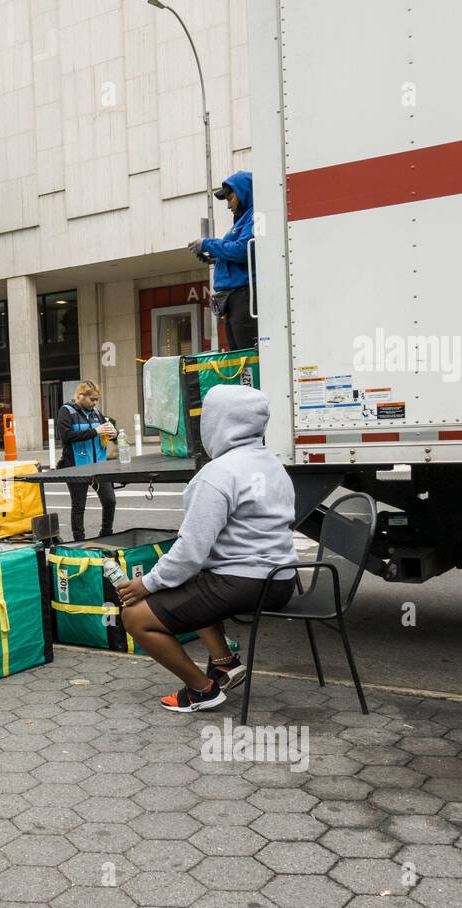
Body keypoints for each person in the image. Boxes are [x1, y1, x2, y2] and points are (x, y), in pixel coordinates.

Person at [117, 385, 298, 712]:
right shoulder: (272, 465)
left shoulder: (218, 474)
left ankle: (201, 690)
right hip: (283, 579)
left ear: (218, 423)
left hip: (243, 583)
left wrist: (146, 584)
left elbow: (190, 551)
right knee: (190, 581)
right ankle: (224, 662)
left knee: (135, 617)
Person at [189, 171, 257, 352]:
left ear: (244, 193)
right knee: (240, 358)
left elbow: (242, 250)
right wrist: (214, 258)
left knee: (246, 357)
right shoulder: (244, 222)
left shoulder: (254, 218)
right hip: (237, 299)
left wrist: (208, 244)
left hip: (244, 296)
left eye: (230, 198)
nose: (228, 205)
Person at [55, 381, 117, 541]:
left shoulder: (96, 412)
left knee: (110, 500)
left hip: (99, 466)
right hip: (77, 466)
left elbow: (106, 431)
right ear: (80, 396)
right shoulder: (66, 411)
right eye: (92, 399)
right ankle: (79, 540)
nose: (95, 403)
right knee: (79, 506)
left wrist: (113, 433)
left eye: (97, 399)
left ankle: (106, 533)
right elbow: (66, 436)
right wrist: (95, 431)